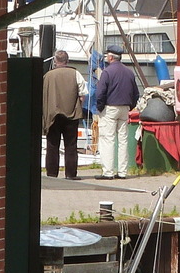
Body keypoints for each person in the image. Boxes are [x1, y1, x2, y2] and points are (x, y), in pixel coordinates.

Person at [94, 46, 139, 179]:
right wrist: (130, 106)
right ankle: (122, 172)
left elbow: (100, 93)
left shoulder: (107, 72)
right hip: (124, 108)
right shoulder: (129, 72)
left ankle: (108, 172)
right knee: (123, 140)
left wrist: (100, 107)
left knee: (108, 139)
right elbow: (136, 93)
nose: (107, 57)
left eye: (107, 55)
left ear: (111, 57)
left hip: (110, 108)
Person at [42, 50, 83, 179]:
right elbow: (82, 95)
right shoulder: (76, 74)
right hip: (72, 115)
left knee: (52, 145)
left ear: (55, 61)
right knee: (71, 145)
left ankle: (51, 174)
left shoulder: (48, 76)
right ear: (67, 60)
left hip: (53, 115)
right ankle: (71, 174)